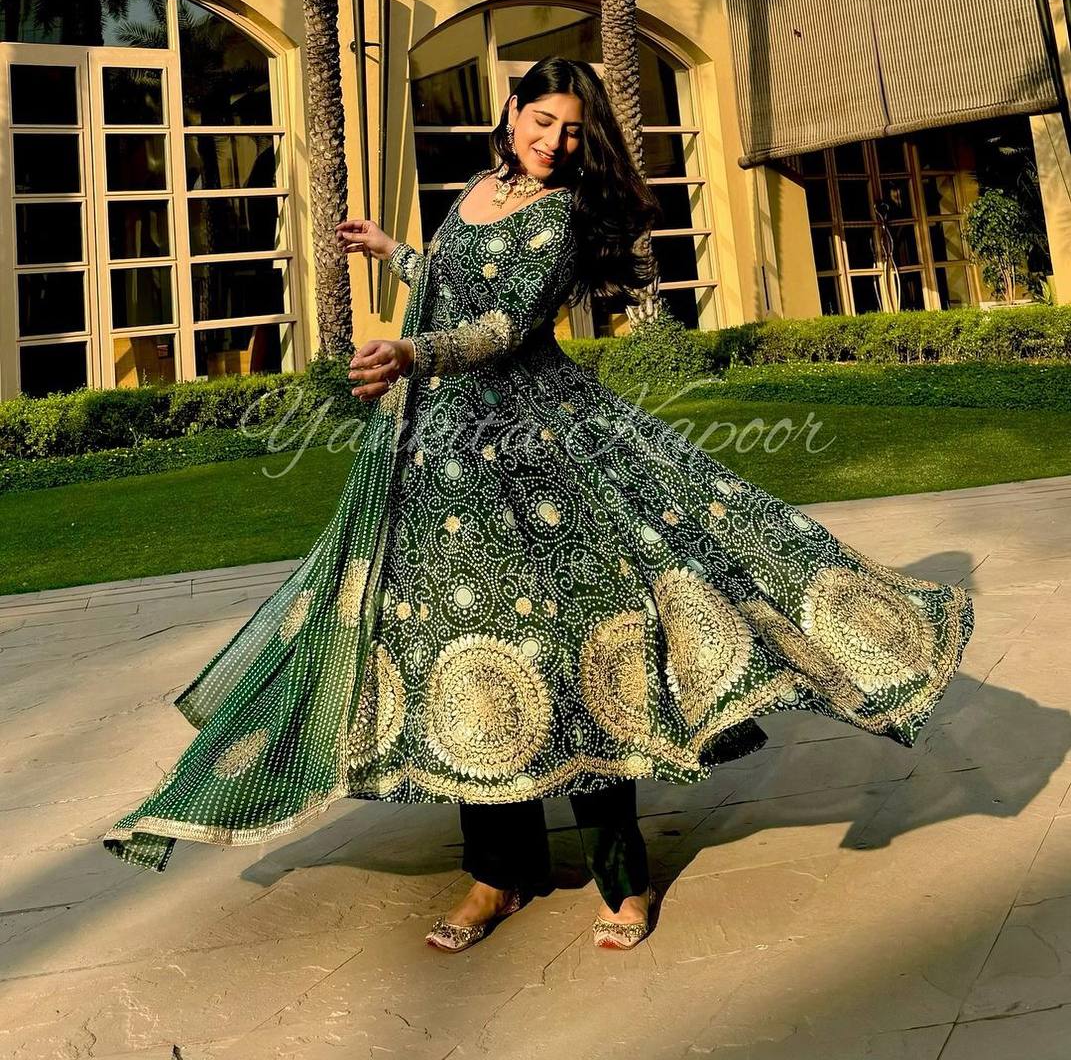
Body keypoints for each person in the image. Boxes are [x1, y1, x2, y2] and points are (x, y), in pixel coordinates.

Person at [102, 56, 975, 957]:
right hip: (439, 460)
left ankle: (622, 878)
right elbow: (456, 283)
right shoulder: (478, 188)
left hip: (539, 448)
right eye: (541, 119)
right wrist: (395, 254)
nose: (553, 141)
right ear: (511, 110)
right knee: (461, 653)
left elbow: (502, 327)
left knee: (582, 650)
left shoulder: (561, 215)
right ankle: (497, 875)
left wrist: (409, 354)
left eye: (571, 129)